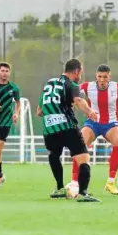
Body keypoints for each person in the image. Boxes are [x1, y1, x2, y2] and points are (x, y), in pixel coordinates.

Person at [36, 58, 100, 202]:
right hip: (67, 127)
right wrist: (90, 112)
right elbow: (78, 101)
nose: (81, 75)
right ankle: (83, 194)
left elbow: (39, 111)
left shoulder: (49, 84)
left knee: (54, 154)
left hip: (49, 128)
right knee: (83, 158)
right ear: (77, 71)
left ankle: (59, 188)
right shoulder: (71, 84)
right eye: (81, 72)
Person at [69, 64, 118, 195]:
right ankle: (74, 183)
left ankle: (110, 183)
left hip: (110, 123)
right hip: (93, 123)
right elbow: (74, 92)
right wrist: (72, 103)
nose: (102, 80)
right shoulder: (88, 86)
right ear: (96, 76)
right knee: (79, 144)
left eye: (105, 77)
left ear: (109, 77)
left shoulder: (117, 87)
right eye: (99, 77)